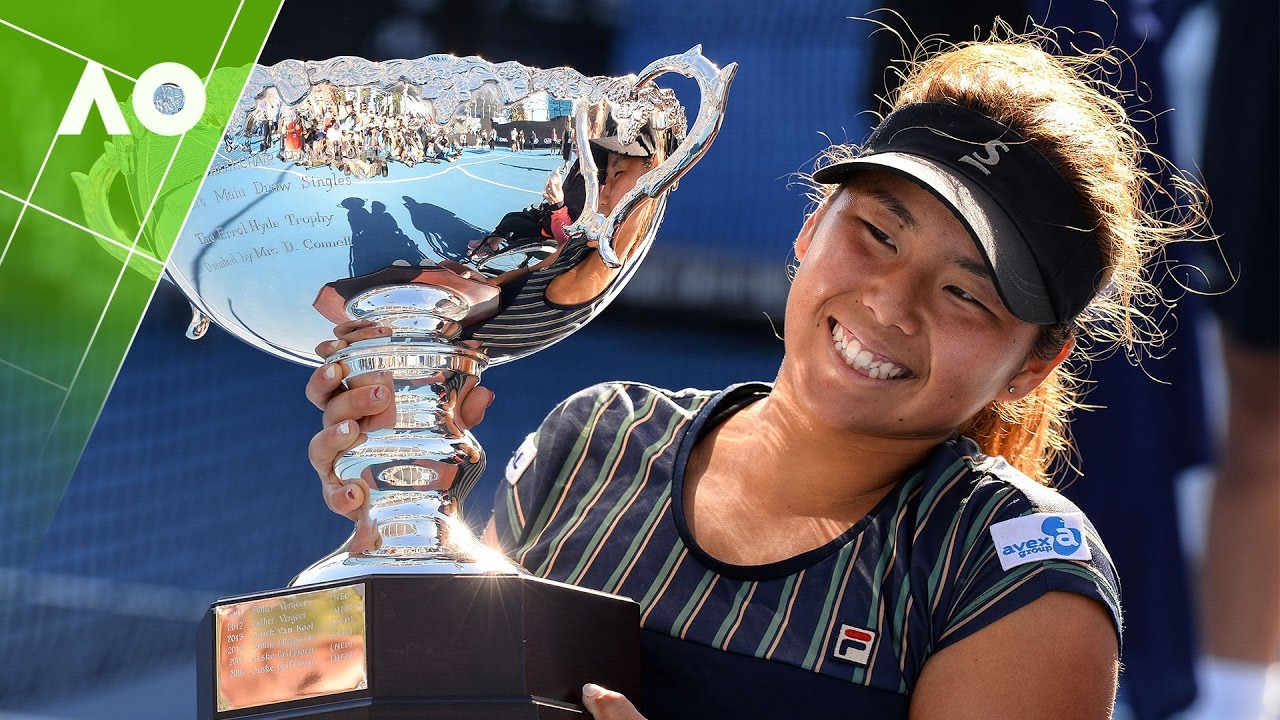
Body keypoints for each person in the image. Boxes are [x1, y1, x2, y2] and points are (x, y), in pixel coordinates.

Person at [304, 28, 1207, 720]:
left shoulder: (1011, 578)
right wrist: (401, 510)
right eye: (877, 234)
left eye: (967, 293)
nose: (892, 304)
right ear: (811, 227)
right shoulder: (597, 440)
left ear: (1035, 364)